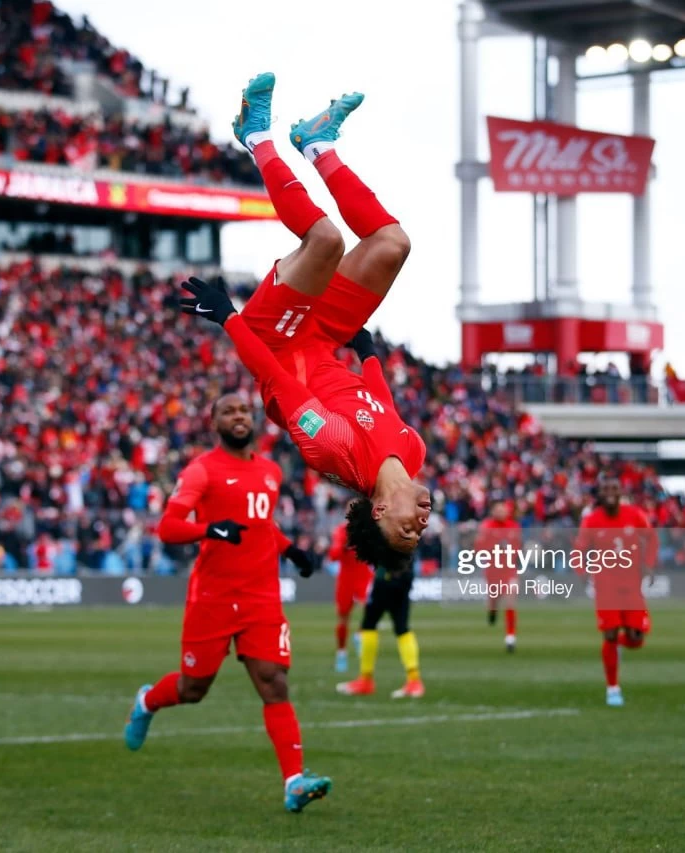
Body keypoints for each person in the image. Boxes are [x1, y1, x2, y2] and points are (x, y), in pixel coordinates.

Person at [179, 71, 428, 576]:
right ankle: (317, 143)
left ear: (378, 511)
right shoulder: (414, 453)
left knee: (325, 242)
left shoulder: (333, 453)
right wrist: (370, 353)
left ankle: (256, 135)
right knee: (392, 245)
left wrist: (227, 317)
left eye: (405, 530)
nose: (420, 525)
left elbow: (273, 378)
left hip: (276, 338)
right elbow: (382, 403)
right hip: (330, 336)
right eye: (418, 534)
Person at [122, 392, 329, 813]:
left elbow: (262, 523)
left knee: (273, 682)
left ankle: (293, 782)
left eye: (243, 411)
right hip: (213, 599)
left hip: (261, 596)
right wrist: (210, 530)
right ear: (214, 423)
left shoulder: (270, 472)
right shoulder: (201, 471)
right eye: (228, 412)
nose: (238, 416)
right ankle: (147, 701)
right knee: (193, 688)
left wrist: (290, 551)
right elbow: (169, 527)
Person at [575, 476, 656, 708]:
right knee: (609, 634)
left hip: (631, 586)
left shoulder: (634, 515)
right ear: (599, 494)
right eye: (605, 489)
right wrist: (581, 571)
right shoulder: (591, 521)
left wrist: (648, 563)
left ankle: (616, 646)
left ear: (620, 492)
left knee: (636, 638)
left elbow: (651, 539)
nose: (610, 492)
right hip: (606, 586)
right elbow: (579, 548)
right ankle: (613, 688)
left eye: (614, 488)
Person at [335, 546, 423, 699]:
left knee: (370, 625)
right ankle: (413, 680)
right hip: (402, 576)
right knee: (399, 627)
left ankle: (366, 679)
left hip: (388, 578)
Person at [327, 517, 373, 673]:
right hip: (346, 579)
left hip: (364, 576)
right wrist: (344, 546)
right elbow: (333, 555)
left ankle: (359, 635)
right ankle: (341, 653)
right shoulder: (340, 531)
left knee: (371, 609)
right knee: (343, 618)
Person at [477, 500, 521, 653]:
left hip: (509, 569)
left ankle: (510, 637)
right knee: (493, 601)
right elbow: (479, 548)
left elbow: (518, 547)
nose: (502, 512)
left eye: (503, 509)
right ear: (493, 512)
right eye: (498, 510)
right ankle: (492, 612)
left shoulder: (514, 527)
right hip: (493, 570)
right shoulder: (486, 527)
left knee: (510, 598)